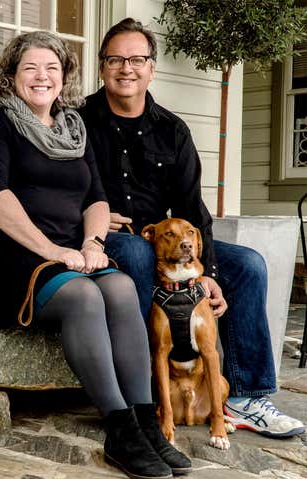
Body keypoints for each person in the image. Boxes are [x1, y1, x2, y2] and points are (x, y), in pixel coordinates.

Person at [0, 30, 191, 479]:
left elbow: (97, 200)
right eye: (30, 68)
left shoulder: (72, 128)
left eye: (52, 68)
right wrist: (54, 251)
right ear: (10, 76)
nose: (42, 77)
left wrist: (92, 245)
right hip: (7, 258)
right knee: (84, 297)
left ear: (65, 77)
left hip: (69, 253)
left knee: (121, 286)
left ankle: (145, 420)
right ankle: (119, 429)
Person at [78, 17, 305, 438]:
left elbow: (191, 208)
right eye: (115, 59)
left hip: (163, 240)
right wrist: (87, 212)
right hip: (105, 239)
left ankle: (245, 396)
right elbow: (54, 185)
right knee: (135, 252)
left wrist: (211, 273)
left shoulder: (173, 130)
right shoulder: (79, 122)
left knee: (249, 264)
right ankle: (145, 397)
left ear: (151, 67)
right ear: (101, 66)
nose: (126, 68)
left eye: (137, 59)